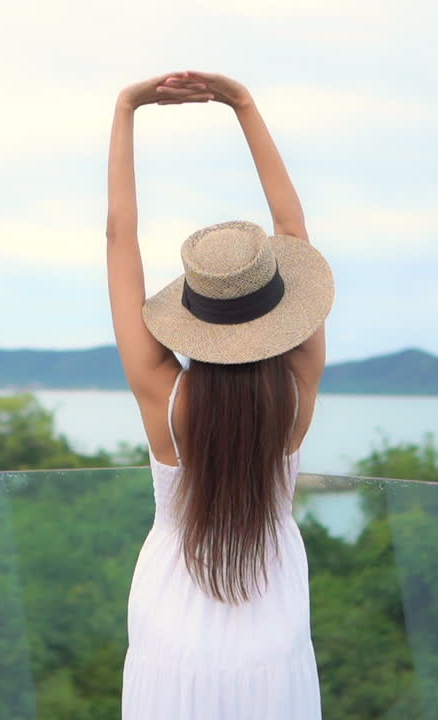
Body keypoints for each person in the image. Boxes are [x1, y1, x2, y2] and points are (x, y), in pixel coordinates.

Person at [106, 71, 335, 718]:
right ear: (279, 310)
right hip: (273, 624)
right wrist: (243, 104)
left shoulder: (166, 400)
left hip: (172, 627)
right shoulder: (295, 390)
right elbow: (291, 225)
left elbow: (119, 238)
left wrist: (127, 110)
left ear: (192, 312)